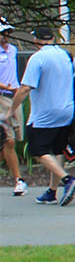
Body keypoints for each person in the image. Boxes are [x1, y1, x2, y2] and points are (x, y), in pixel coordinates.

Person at [11, 24, 75, 205]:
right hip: (67, 112)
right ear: (52, 38)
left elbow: (26, 88)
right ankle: (52, 192)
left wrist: (10, 110)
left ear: (36, 40)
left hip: (44, 114)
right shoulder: (66, 55)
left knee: (38, 150)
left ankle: (68, 180)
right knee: (58, 150)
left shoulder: (38, 58)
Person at [0, 22, 24, 196]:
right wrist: (6, 87)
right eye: (3, 33)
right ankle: (18, 180)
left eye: (7, 32)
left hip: (15, 98)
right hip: (2, 97)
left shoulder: (13, 50)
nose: (6, 36)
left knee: (14, 138)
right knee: (9, 141)